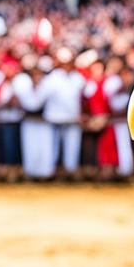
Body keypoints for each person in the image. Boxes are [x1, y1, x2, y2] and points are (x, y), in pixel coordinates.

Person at [39, 48, 86, 178]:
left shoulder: (78, 78)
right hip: (54, 118)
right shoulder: (52, 78)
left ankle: (70, 172)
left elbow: (84, 98)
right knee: (51, 147)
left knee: (72, 147)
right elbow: (40, 98)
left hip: (72, 119)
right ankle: (49, 172)